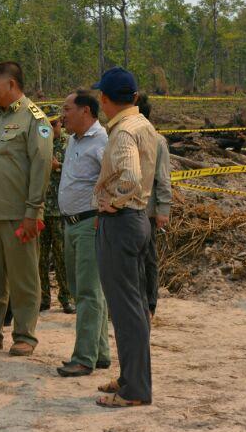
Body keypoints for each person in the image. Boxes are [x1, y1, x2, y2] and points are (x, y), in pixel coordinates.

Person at [0, 61, 53, 357]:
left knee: (23, 279)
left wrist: (33, 212)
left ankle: (24, 335)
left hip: (19, 215)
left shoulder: (35, 119)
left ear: (12, 85)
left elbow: (41, 166)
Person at [91, 67, 160, 408]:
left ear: (104, 99)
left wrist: (114, 202)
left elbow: (130, 177)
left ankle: (135, 390)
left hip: (121, 222)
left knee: (126, 310)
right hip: (138, 219)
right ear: (133, 97)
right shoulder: (143, 124)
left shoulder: (121, 133)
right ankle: (130, 377)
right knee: (134, 306)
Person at [54, 88, 111, 378]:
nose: (62, 115)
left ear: (85, 111)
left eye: (67, 109)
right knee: (82, 290)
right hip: (71, 223)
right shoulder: (73, 141)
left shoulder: (103, 141)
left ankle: (83, 358)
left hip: (91, 223)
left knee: (89, 291)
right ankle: (100, 352)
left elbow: (115, 180)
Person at [136, 93, 173, 319]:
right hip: (128, 210)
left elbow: (163, 178)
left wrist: (163, 210)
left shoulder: (157, 141)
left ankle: (150, 305)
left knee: (149, 258)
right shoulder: (123, 137)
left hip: (148, 212)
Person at [39, 115, 74, 313]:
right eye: (47, 124)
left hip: (61, 211)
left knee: (62, 257)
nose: (51, 128)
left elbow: (76, 170)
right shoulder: (39, 143)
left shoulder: (70, 143)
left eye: (54, 124)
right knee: (40, 258)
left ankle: (66, 298)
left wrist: (57, 166)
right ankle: (43, 298)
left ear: (61, 122)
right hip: (41, 210)